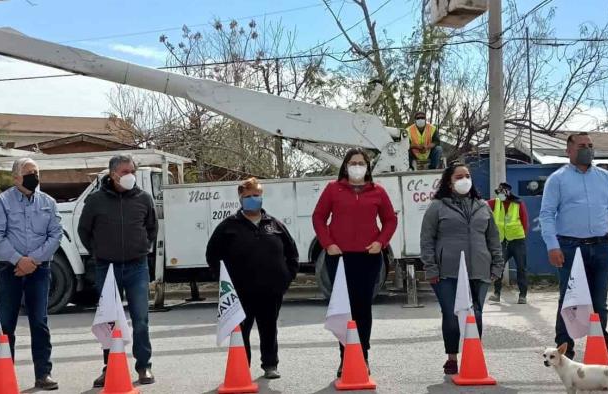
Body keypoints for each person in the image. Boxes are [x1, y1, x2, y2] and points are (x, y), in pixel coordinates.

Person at [539, 132, 608, 369]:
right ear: (569, 150)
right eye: (582, 146)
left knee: (600, 303)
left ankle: (601, 351)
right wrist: (553, 246)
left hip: (601, 247)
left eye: (590, 145)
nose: (587, 149)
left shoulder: (606, 177)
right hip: (569, 248)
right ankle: (563, 352)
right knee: (568, 301)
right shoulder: (557, 179)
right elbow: (547, 215)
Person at [312, 147, 398, 377]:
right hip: (339, 258)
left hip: (368, 258)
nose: (357, 166)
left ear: (368, 167)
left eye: (362, 163)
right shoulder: (333, 189)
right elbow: (318, 217)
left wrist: (381, 242)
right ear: (346, 166)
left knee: (362, 308)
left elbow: (390, 220)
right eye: (353, 162)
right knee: (343, 309)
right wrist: (328, 244)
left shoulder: (377, 192)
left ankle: (363, 356)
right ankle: (345, 357)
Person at [206, 177, 299, 379]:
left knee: (269, 329)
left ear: (262, 196)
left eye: (256, 195)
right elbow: (212, 255)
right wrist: (223, 283)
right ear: (240, 198)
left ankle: (270, 365)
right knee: (240, 330)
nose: (252, 199)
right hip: (240, 292)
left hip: (271, 290)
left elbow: (292, 253)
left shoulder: (275, 225)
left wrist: (286, 277)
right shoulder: (228, 227)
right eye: (247, 196)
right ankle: (241, 367)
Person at [78, 155, 158, 387]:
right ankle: (110, 367)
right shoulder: (95, 200)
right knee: (109, 320)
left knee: (141, 319)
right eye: (124, 172)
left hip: (137, 266)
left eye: (132, 170)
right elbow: (84, 231)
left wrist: (142, 247)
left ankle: (144, 367)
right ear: (112, 174)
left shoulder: (144, 199)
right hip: (107, 267)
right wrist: (98, 252)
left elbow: (152, 228)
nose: (129, 175)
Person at [419, 161, 504, 375]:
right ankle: (452, 357)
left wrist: (497, 265)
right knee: (451, 314)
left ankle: (473, 354)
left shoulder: (482, 206)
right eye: (459, 177)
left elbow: (493, 238)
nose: (464, 180)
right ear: (449, 182)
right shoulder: (437, 207)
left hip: (480, 269)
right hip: (447, 271)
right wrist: (431, 268)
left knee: (476, 313)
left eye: (467, 175)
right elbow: (427, 239)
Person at [0, 157, 62, 391]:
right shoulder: (2, 202)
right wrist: (19, 260)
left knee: (39, 322)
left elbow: (56, 235)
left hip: (40, 270)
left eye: (36, 172)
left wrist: (34, 260)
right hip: (10, 269)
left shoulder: (48, 202)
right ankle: (3, 376)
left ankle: (43, 374)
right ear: (16, 177)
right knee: (5, 324)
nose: (35, 177)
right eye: (29, 172)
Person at [487, 182, 530, 304]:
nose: (499, 195)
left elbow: (525, 221)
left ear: (508, 193)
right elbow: (482, 205)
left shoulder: (518, 204)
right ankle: (496, 293)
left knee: (521, 268)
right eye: (498, 193)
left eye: (501, 193)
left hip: (517, 241)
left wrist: (522, 236)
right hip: (502, 241)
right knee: (498, 267)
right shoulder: (494, 203)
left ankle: (522, 295)